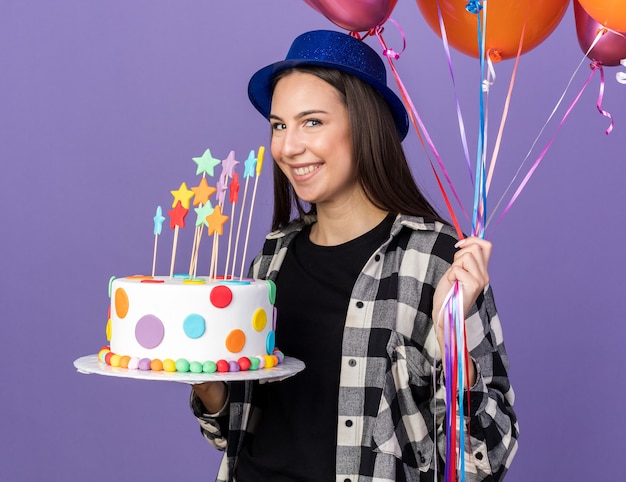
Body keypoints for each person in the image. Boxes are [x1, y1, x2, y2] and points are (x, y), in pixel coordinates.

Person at [191, 30, 518, 482]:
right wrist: (208, 385)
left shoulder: (437, 260)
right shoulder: (271, 260)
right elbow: (240, 432)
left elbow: (488, 457)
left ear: (364, 125)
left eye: (312, 122)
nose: (287, 146)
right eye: (279, 125)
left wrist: (452, 343)